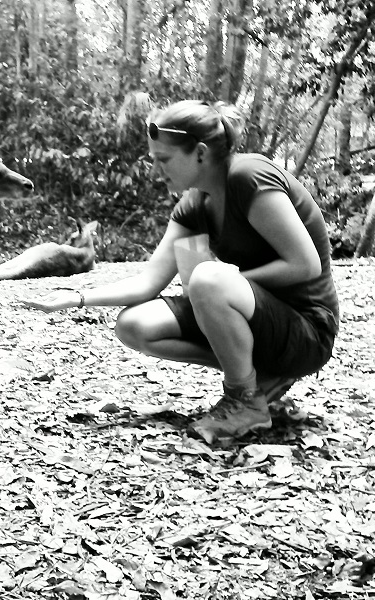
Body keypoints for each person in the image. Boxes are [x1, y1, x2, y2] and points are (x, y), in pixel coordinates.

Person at [23, 100, 339, 443]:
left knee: (206, 279)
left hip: (306, 330)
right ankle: (259, 375)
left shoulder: (248, 177)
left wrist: (224, 282)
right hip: (251, 316)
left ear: (200, 153)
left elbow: (306, 264)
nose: (157, 170)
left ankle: (245, 400)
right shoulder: (194, 204)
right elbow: (149, 282)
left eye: (164, 160)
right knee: (134, 325)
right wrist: (76, 298)